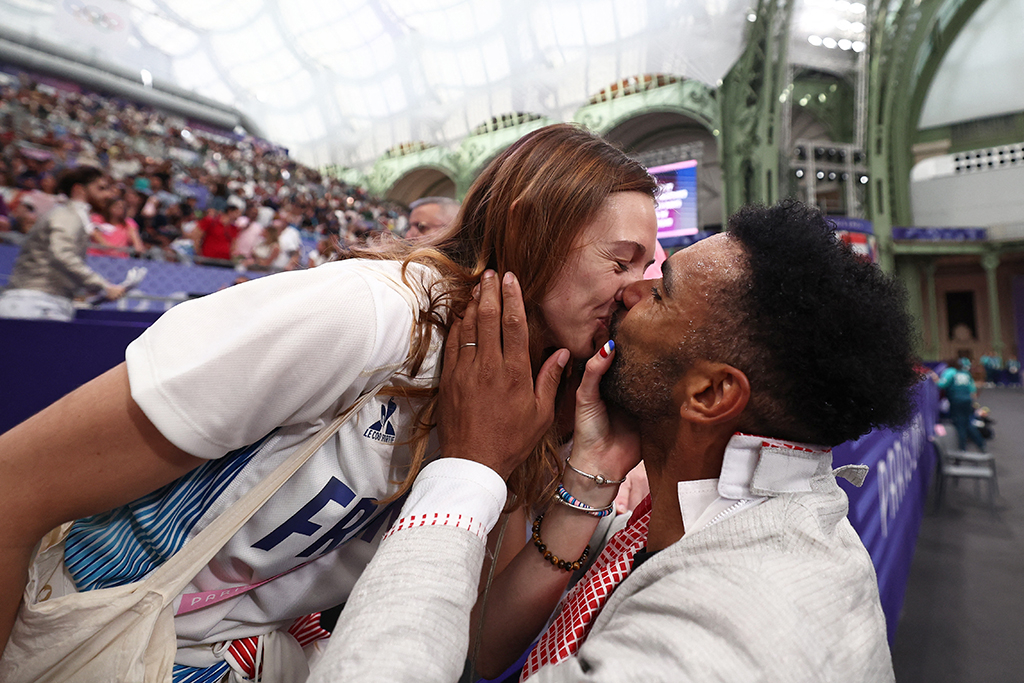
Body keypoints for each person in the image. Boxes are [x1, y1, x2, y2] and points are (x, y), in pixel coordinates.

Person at [0, 124, 658, 682]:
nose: (635, 291)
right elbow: (14, 487)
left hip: (225, 657)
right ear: (529, 228)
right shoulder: (366, 317)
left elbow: (474, 639)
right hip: (100, 633)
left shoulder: (531, 390)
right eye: (621, 260)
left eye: (649, 268)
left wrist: (587, 477)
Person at [310, 200, 919, 683]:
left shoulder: (720, 637)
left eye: (661, 291)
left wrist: (467, 470)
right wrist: (588, 475)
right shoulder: (713, 514)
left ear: (708, 395)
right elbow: (485, 646)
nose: (628, 292)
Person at [0, 165, 125, 321]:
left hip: (43, 302)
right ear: (79, 189)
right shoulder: (66, 215)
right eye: (101, 188)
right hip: (34, 303)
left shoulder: (73, 216)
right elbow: (62, 255)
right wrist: (103, 285)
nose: (108, 194)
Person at [937, 358, 986, 452]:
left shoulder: (950, 372)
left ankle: (962, 449)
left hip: (956, 401)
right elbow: (973, 392)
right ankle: (981, 444)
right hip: (967, 401)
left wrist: (935, 379)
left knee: (960, 425)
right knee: (967, 423)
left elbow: (942, 384)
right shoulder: (966, 374)